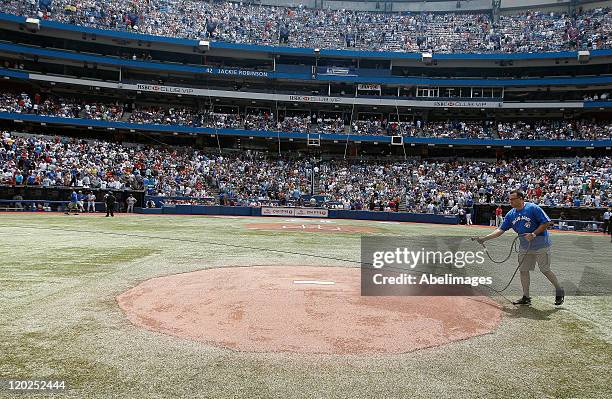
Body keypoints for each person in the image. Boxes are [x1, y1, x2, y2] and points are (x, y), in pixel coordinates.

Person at [476, 189, 564, 306]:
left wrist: (533, 234)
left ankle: (559, 290)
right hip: (524, 246)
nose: (510, 201)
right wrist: (484, 238)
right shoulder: (511, 214)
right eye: (509, 199)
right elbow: (500, 230)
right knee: (523, 271)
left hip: (541, 245)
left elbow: (546, 223)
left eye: (513, 199)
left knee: (545, 269)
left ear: (521, 199)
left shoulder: (533, 208)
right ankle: (526, 297)